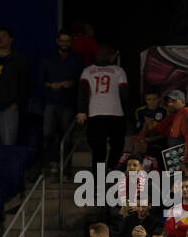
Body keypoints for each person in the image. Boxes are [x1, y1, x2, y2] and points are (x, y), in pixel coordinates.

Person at [76, 44, 128, 172]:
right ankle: (111, 167)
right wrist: (126, 112)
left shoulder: (87, 71)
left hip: (96, 113)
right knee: (117, 144)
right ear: (110, 57)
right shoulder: (118, 70)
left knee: (98, 148)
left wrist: (81, 111)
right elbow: (124, 92)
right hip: (116, 112)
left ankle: (98, 176)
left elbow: (82, 92)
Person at [39, 30, 82, 170]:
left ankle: (66, 167)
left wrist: (71, 83)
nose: (64, 43)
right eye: (62, 41)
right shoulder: (48, 59)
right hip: (51, 101)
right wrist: (51, 85)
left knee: (67, 137)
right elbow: (41, 81)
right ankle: (51, 164)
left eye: (67, 41)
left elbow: (82, 81)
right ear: (57, 41)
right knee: (48, 134)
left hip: (68, 102)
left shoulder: (77, 59)